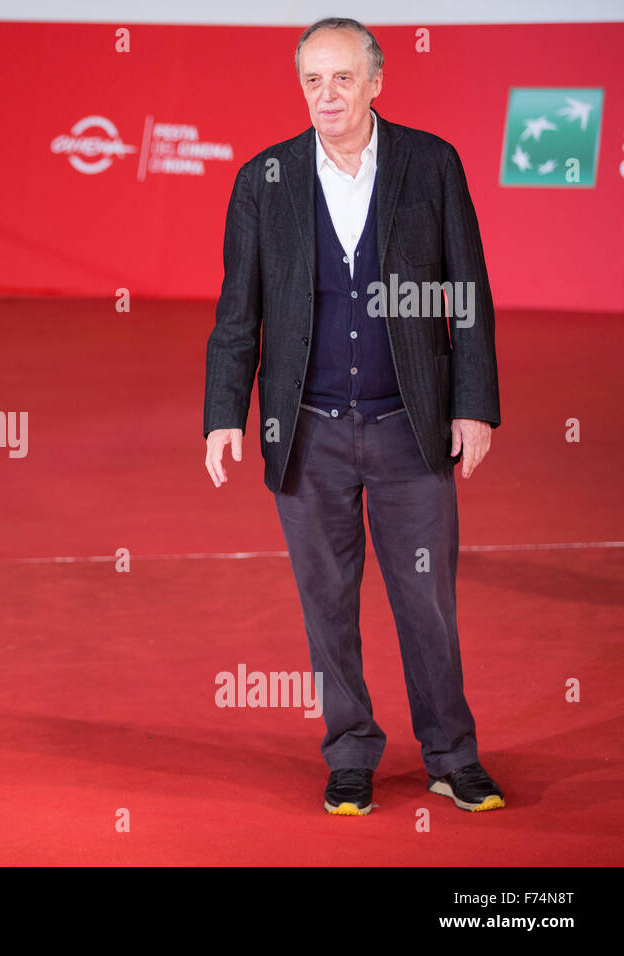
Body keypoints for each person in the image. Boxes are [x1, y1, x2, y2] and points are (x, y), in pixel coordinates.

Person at [202, 17, 505, 815]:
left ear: (377, 81)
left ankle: (450, 755)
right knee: (326, 601)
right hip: (307, 430)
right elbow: (239, 311)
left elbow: (464, 296)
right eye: (312, 80)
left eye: (342, 78)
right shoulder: (262, 180)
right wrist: (223, 414)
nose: (326, 94)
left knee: (428, 600)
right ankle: (350, 754)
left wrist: (473, 406)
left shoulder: (430, 164)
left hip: (411, 426)